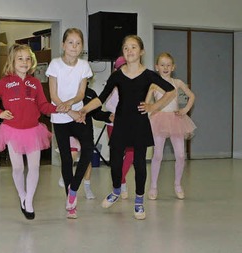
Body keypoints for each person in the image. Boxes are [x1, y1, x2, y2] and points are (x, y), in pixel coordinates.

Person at [78, 35, 177, 220]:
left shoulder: (149, 75)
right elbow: (101, 98)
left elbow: (171, 91)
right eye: (126, 48)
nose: (129, 50)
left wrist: (153, 107)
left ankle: (139, 201)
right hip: (121, 122)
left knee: (139, 164)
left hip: (139, 123)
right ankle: (116, 190)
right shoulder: (117, 75)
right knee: (115, 162)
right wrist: (84, 109)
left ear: (141, 51)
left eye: (133, 47)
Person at [0, 44, 69, 220]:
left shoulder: (35, 83)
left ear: (32, 62)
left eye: (27, 58)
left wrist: (59, 108)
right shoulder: (4, 83)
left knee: (34, 167)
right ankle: (22, 196)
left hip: (33, 131)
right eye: (20, 58)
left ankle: (29, 201)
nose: (24, 62)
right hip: (12, 131)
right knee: (17, 167)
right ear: (12, 61)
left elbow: (44, 106)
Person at [45, 28, 93, 219]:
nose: (74, 46)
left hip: (78, 114)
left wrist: (73, 107)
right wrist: (69, 111)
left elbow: (81, 94)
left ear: (82, 47)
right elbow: (54, 96)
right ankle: (70, 203)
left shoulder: (84, 66)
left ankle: (73, 189)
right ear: (63, 45)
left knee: (88, 150)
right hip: (60, 117)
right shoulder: (55, 64)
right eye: (70, 42)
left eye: (78, 43)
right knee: (66, 158)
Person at [147, 52, 196, 200]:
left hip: (176, 120)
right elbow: (146, 103)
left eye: (168, 65)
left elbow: (192, 96)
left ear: (173, 67)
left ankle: (177, 184)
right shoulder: (154, 85)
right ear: (157, 67)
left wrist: (185, 109)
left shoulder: (177, 83)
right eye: (162, 65)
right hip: (158, 120)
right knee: (158, 155)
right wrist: (148, 112)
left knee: (181, 155)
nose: (165, 67)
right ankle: (153, 186)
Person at [58, 86, 113, 200]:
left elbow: (97, 114)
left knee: (87, 159)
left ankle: (87, 186)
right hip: (68, 129)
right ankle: (67, 180)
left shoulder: (91, 93)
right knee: (70, 155)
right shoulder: (66, 90)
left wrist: (108, 116)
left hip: (85, 131)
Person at [104, 56, 135, 199]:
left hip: (130, 124)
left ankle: (121, 180)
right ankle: (120, 182)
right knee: (117, 154)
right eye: (120, 68)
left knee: (131, 153)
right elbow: (107, 104)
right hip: (114, 124)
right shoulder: (111, 84)